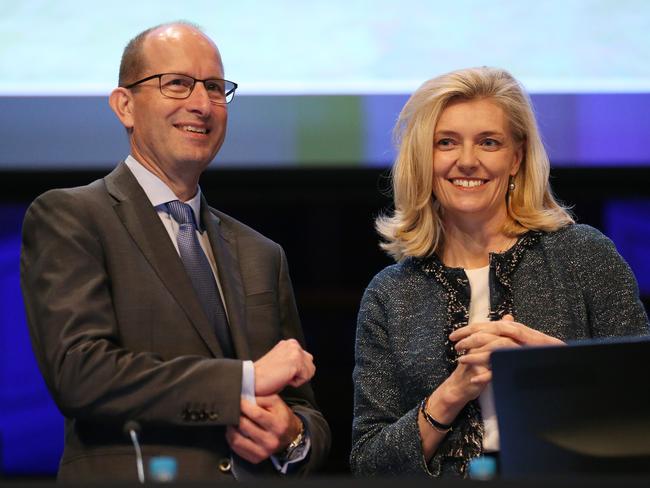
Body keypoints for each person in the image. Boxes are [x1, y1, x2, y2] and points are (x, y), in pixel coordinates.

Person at [20, 22, 330, 482]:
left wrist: (293, 437)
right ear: (124, 105)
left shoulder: (261, 253)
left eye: (214, 88)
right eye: (178, 84)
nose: (201, 104)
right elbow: (81, 373)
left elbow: (305, 412)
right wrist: (242, 382)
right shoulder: (71, 217)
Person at [350, 66, 649, 477]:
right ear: (423, 157)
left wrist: (556, 371)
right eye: (446, 143)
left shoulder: (582, 255)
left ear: (517, 157)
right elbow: (369, 465)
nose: (467, 161)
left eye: (489, 142)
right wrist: (453, 392)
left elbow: (640, 408)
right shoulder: (391, 293)